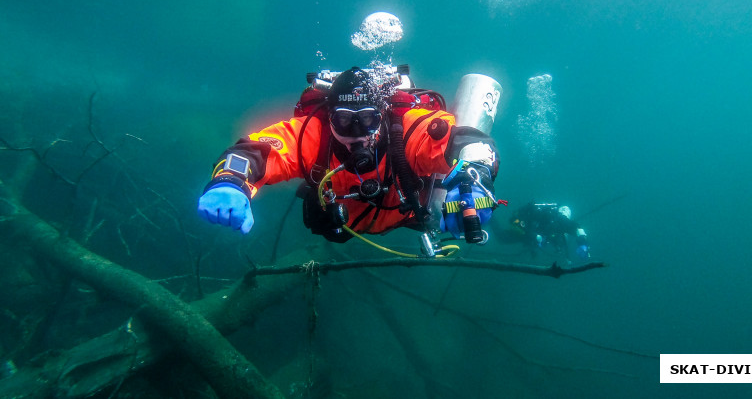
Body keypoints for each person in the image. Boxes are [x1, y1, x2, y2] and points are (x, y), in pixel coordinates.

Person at [197, 66, 500, 254]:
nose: (356, 134)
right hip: (342, 227)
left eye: (367, 120)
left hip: (409, 218)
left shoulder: (407, 129)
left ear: (381, 116)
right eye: (344, 121)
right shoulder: (310, 135)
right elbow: (254, 152)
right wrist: (231, 182)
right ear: (328, 118)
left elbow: (466, 141)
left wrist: (475, 176)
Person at [495, 202, 590, 263]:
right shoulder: (554, 218)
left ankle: (488, 215)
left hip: (529, 236)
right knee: (502, 238)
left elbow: (578, 230)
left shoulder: (560, 225)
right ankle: (488, 215)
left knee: (502, 238)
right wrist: (532, 236)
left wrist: (583, 245)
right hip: (525, 232)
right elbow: (576, 228)